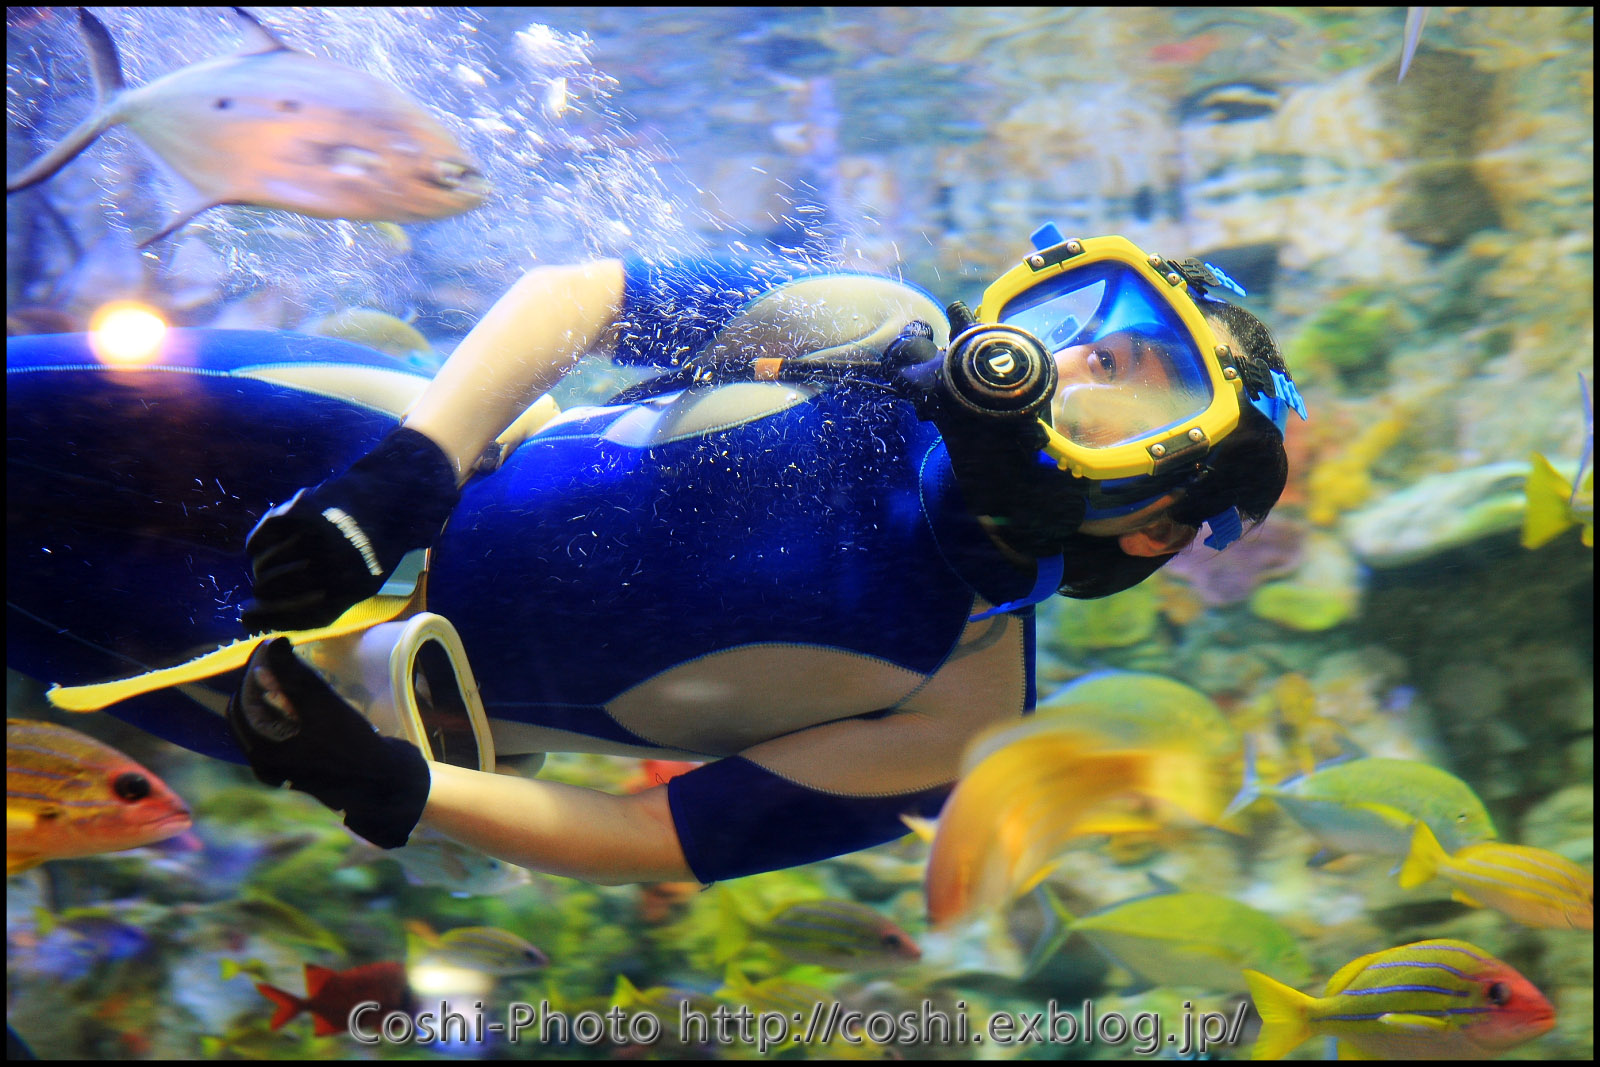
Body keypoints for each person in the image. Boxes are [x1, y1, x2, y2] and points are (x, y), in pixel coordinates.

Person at [227, 230, 1306, 887]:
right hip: (353, 455)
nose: (1071, 359)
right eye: (1088, 332)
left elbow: (656, 837)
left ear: (1157, 526)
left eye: (1137, 380)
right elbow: (583, 295)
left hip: (382, 702)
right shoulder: (874, 333)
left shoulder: (967, 716)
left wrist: (390, 780)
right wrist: (404, 475)